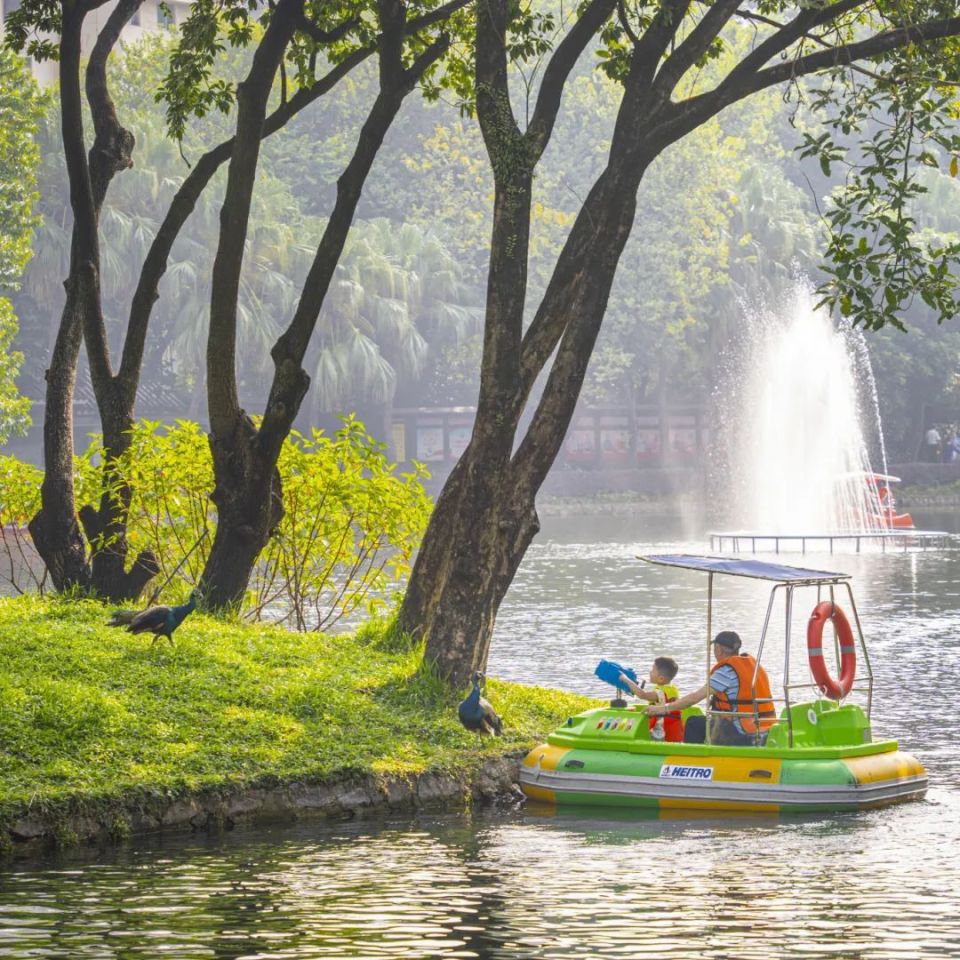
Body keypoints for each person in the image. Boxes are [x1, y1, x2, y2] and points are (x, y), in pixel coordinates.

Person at [648, 631, 776, 746]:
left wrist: (663, 709)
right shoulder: (753, 665)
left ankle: (692, 763)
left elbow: (693, 698)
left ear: (718, 649)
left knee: (693, 722)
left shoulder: (726, 671)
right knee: (708, 720)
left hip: (741, 731)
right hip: (764, 728)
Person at [618, 656, 683, 742]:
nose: (650, 672)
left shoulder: (660, 692)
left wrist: (626, 679)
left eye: (653, 670)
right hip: (675, 729)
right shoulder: (672, 689)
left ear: (661, 679)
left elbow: (642, 695)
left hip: (662, 733)